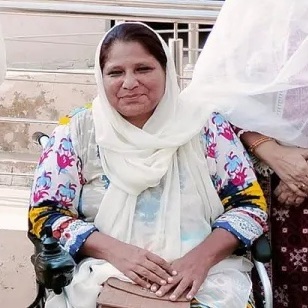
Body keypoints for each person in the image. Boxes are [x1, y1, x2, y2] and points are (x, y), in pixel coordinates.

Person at [28, 22, 268, 308]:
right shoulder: (76, 133)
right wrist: (118, 253)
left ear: (167, 70)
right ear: (100, 77)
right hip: (104, 276)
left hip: (205, 276)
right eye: (115, 72)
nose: (129, 83)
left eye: (143, 69)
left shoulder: (207, 127)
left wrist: (199, 260)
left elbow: (250, 207)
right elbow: (45, 217)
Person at [180, 0, 308, 307]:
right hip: (256, 188)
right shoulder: (250, 22)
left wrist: (302, 171)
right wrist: (270, 149)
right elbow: (208, 103)